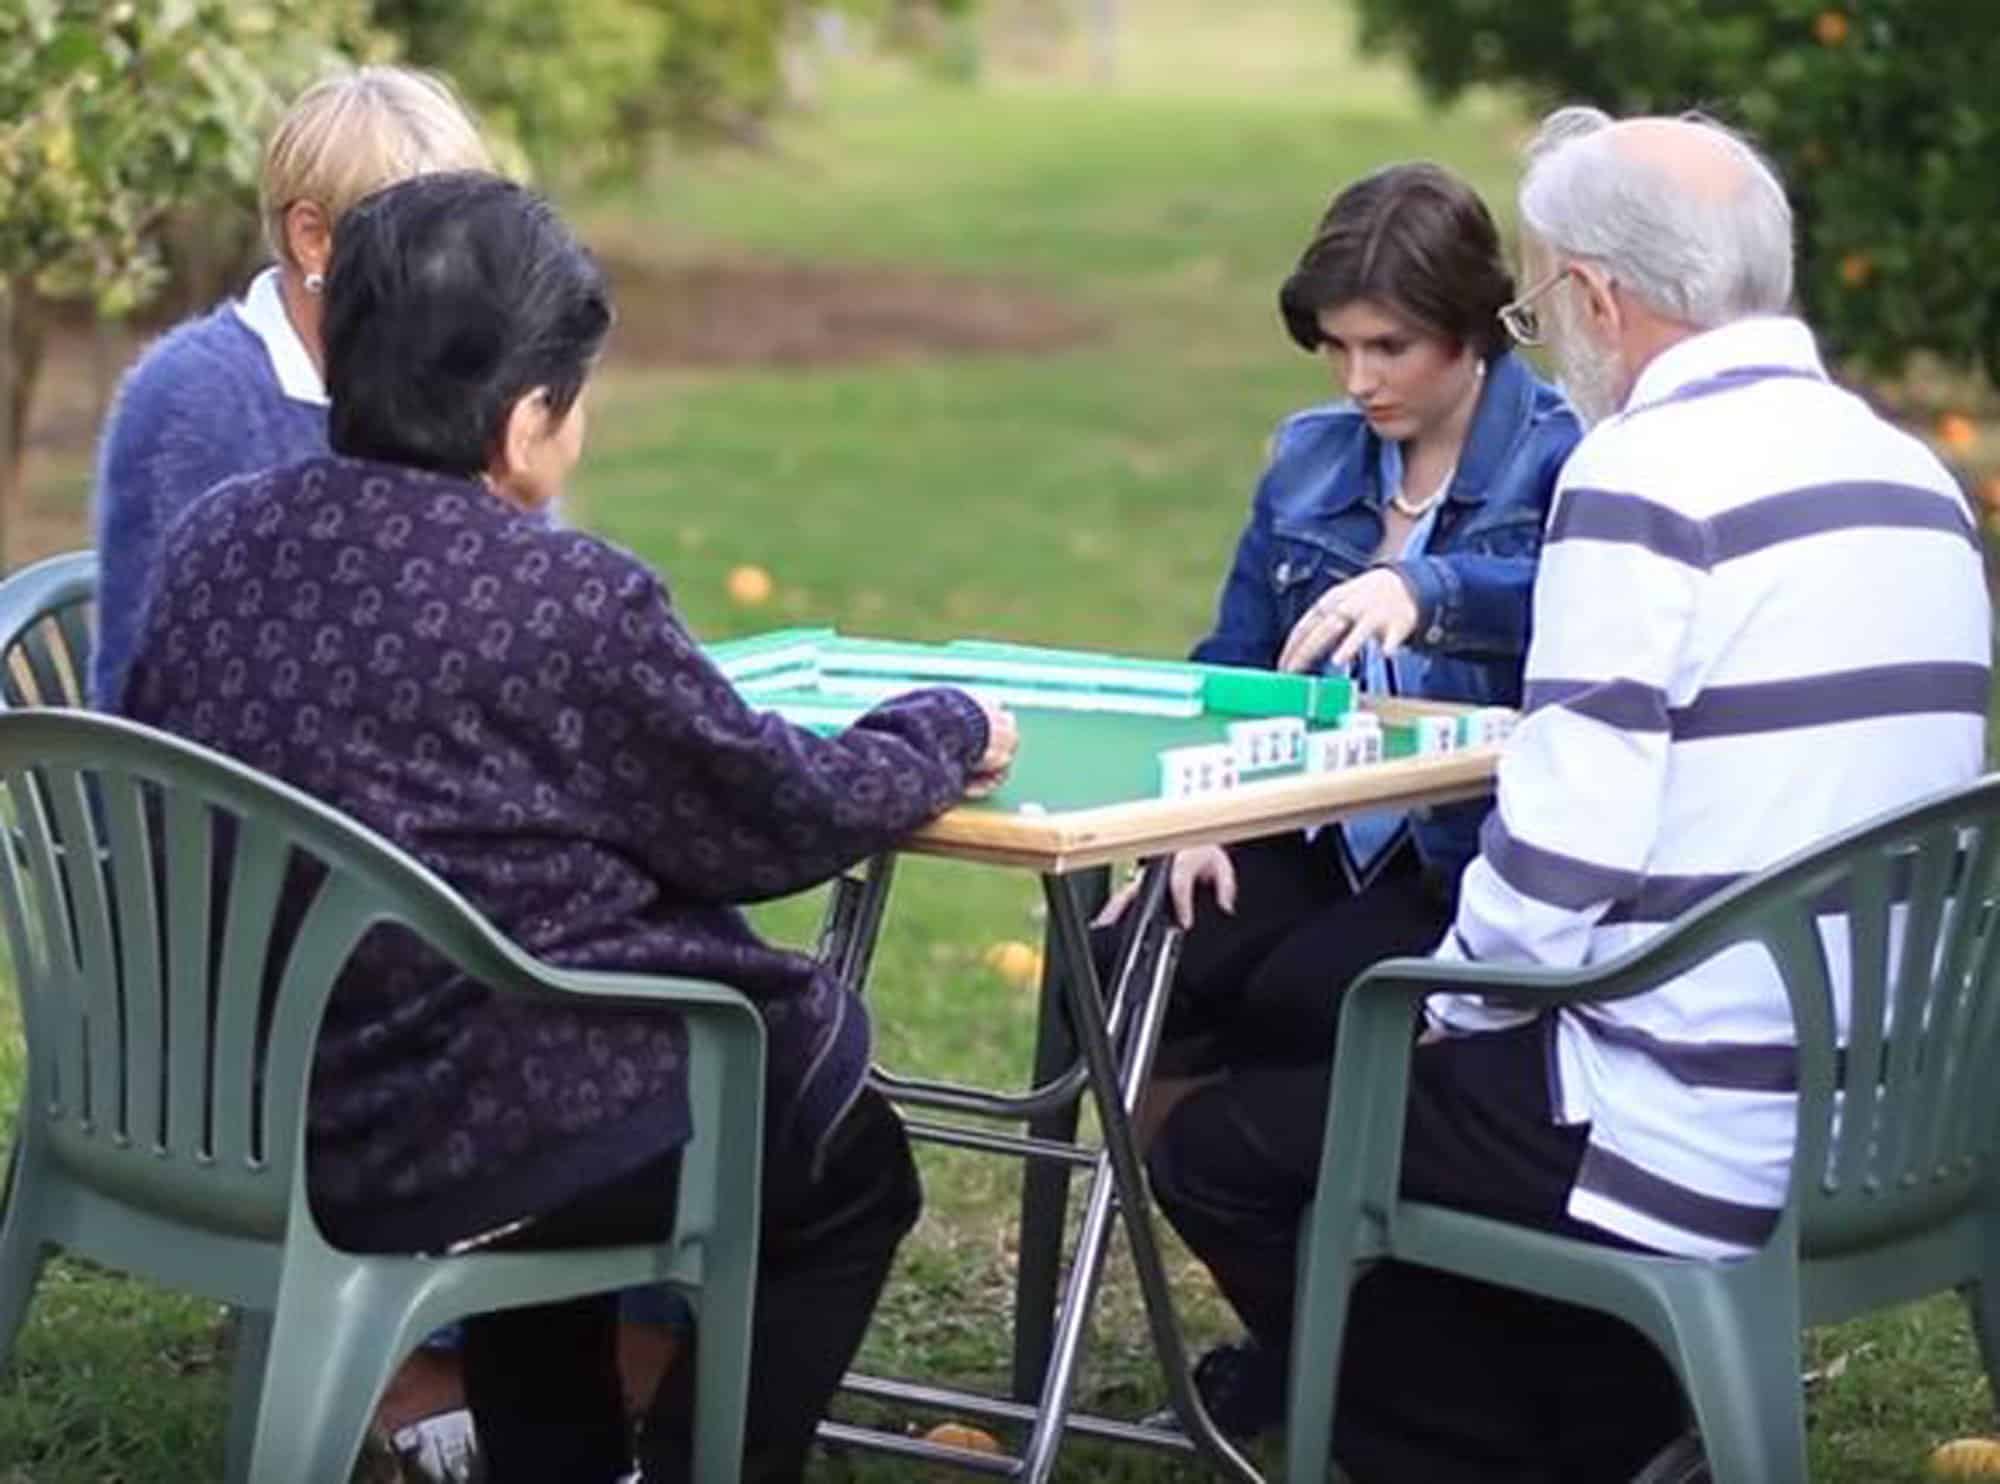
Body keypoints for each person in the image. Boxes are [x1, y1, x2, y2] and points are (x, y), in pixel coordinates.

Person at [116, 169, 1018, 1484]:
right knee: (843, 1162)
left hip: (242, 1087)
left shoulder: (220, 536)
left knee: (562, 1048)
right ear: (527, 415)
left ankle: (566, 1457)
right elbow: (767, 820)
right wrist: (938, 729)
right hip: (437, 1120)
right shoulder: (563, 595)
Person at [1145, 108, 1991, 1483]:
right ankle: (1604, 1414)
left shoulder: (1642, 478)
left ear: (1597, 296)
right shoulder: (1918, 481)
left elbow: (1558, 864)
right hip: (1900, 1109)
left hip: (1689, 1124)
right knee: (1374, 1067)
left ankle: (1495, 1452)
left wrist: (1444, 1008)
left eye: (1541, 305)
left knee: (1239, 1150)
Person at [83, 65, 671, 1478]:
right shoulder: (202, 401)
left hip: (402, 846)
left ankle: (589, 1369)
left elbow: (517, 614)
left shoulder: (457, 369)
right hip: (245, 910)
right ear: (312, 241)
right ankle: (458, 1365)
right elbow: (181, 716)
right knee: (608, 997)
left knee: (628, 949)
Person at [1095, 162, 1577, 1432]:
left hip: (1462, 856)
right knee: (1126, 958)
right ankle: (1297, 1322)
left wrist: (1432, 589)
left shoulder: (1569, 458)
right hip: (1313, 827)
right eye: (1335, 347)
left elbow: (1580, 604)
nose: (1357, 380)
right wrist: (1183, 815)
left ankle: (1368, 1363)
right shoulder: (1311, 460)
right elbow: (1231, 667)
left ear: (1471, 334)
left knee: (1308, 993)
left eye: (1389, 347)